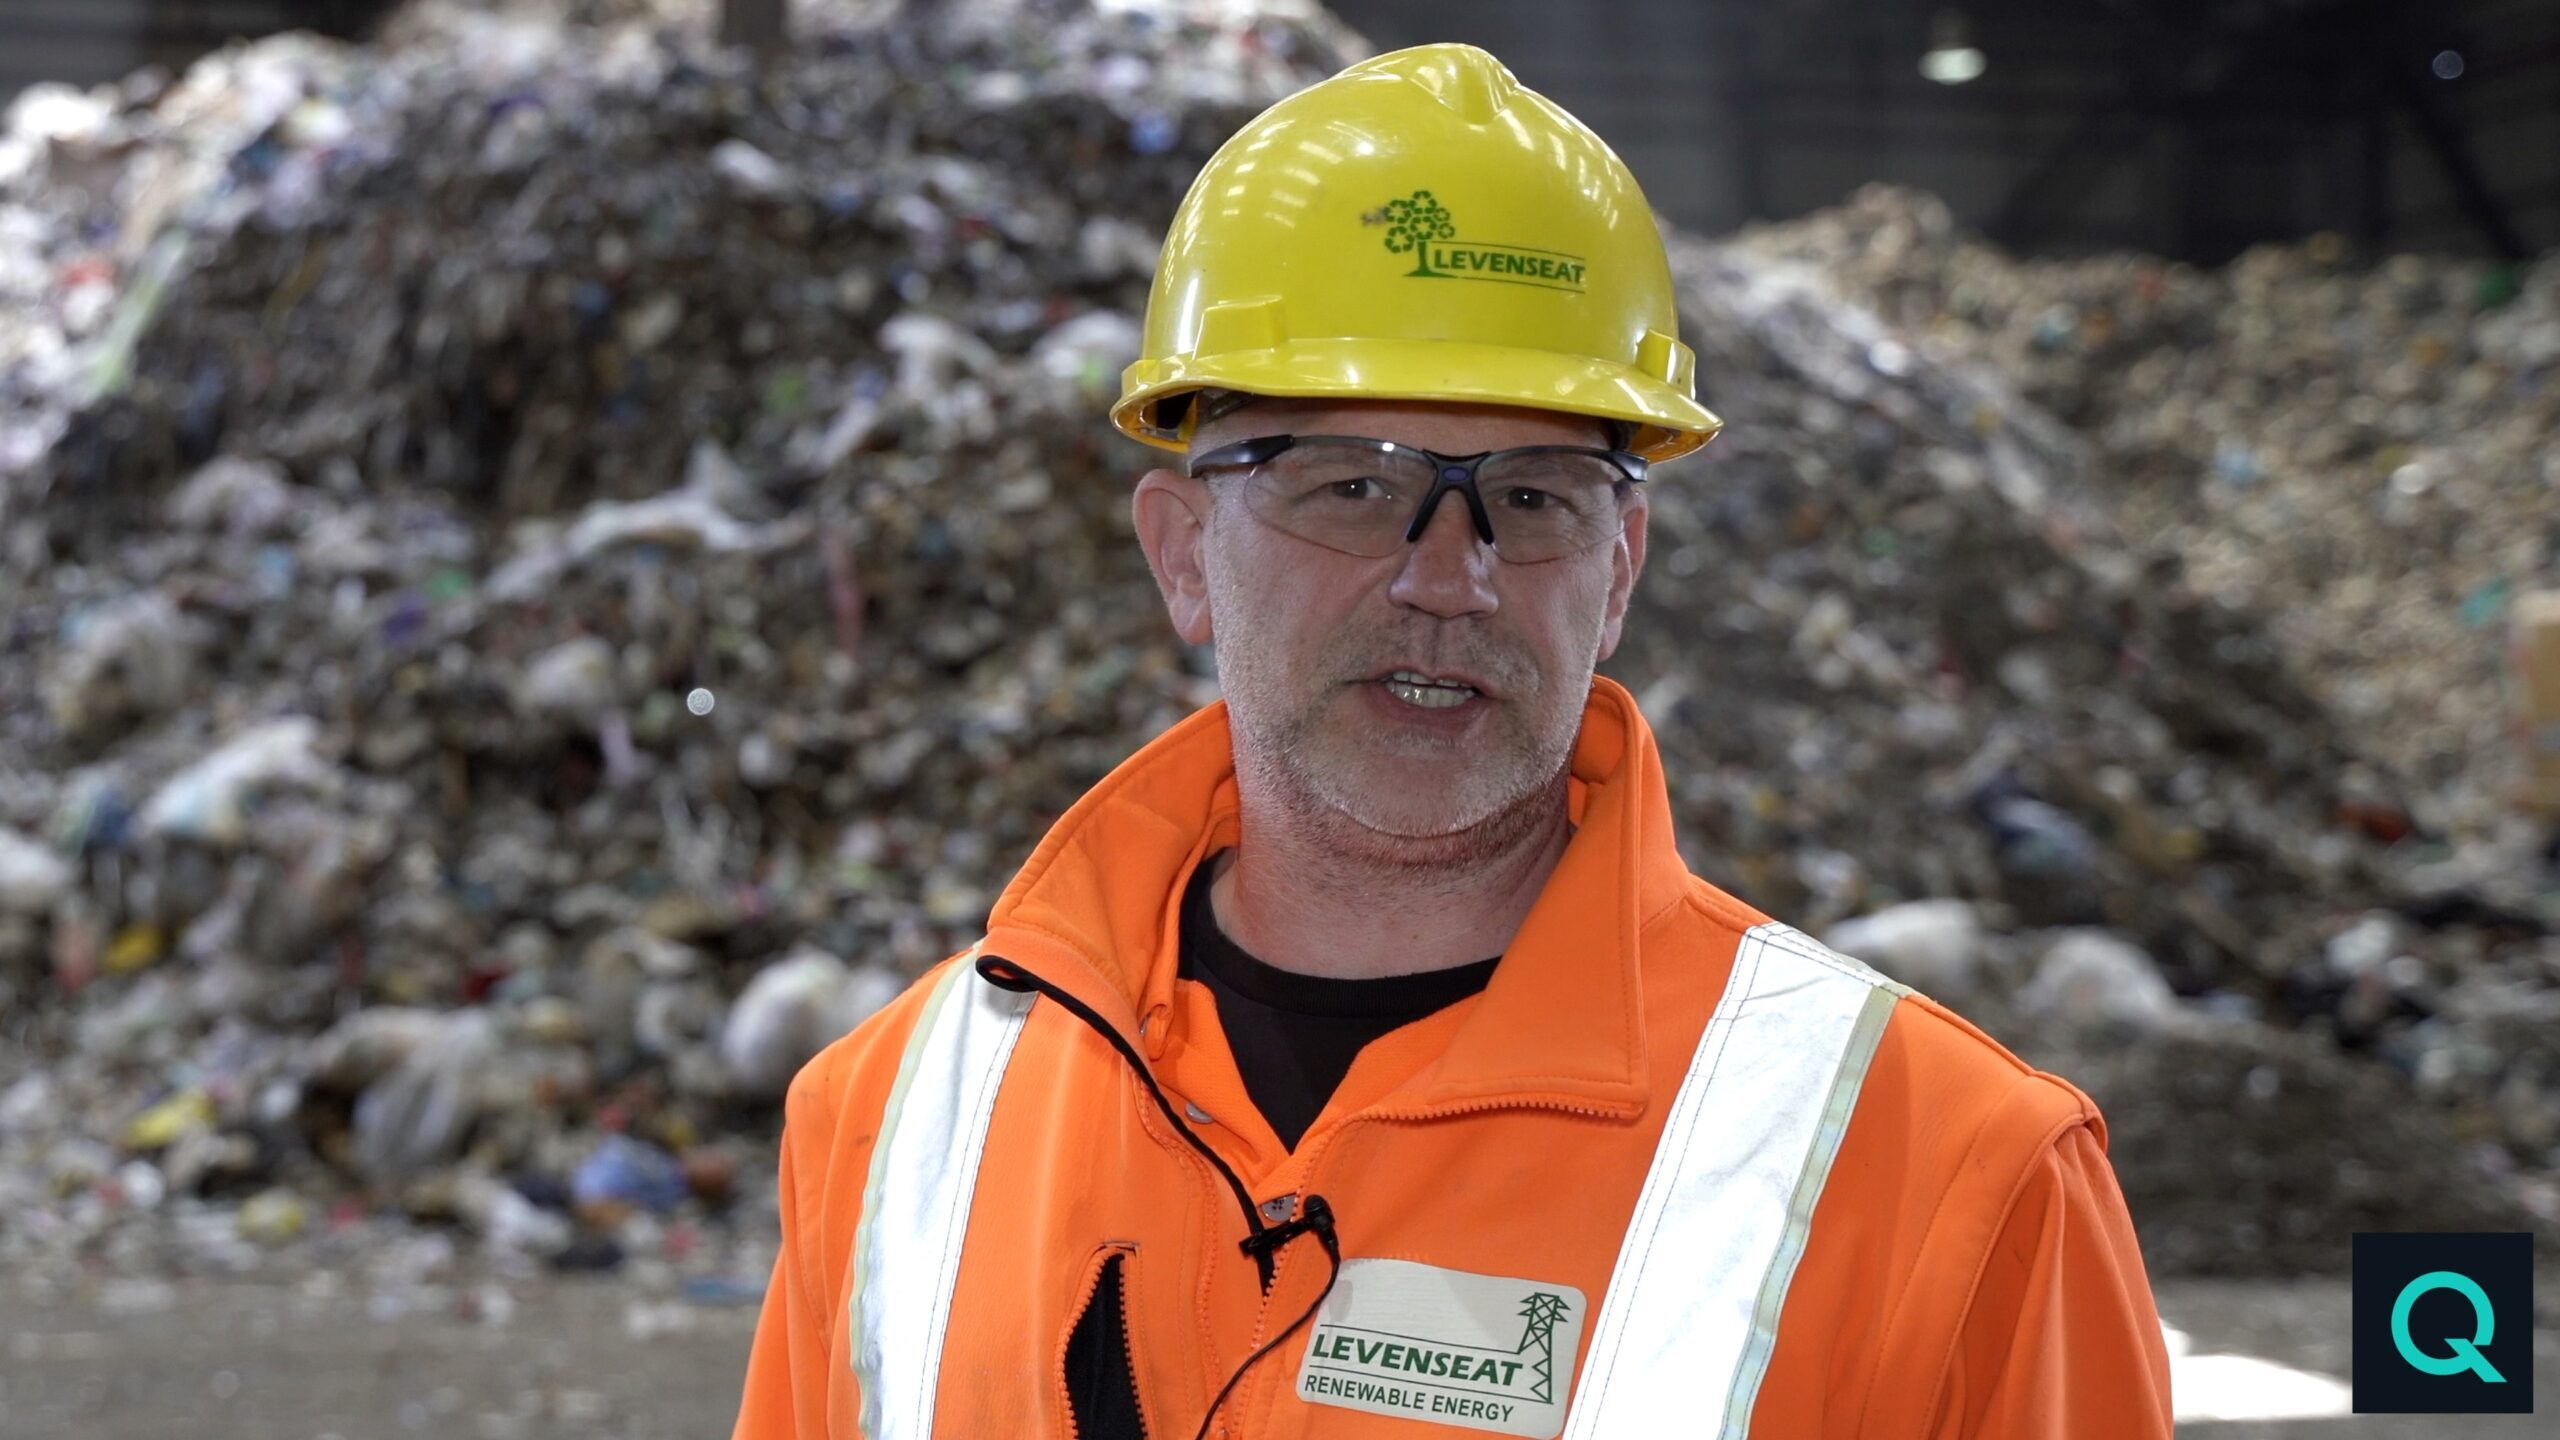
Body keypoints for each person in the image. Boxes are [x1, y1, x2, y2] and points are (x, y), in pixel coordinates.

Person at [733, 42, 2172, 1440]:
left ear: (1620, 573)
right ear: (1181, 553)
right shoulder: (894, 1128)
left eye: (1535, 498)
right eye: (1353, 485)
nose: (1445, 574)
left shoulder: (1952, 1178)